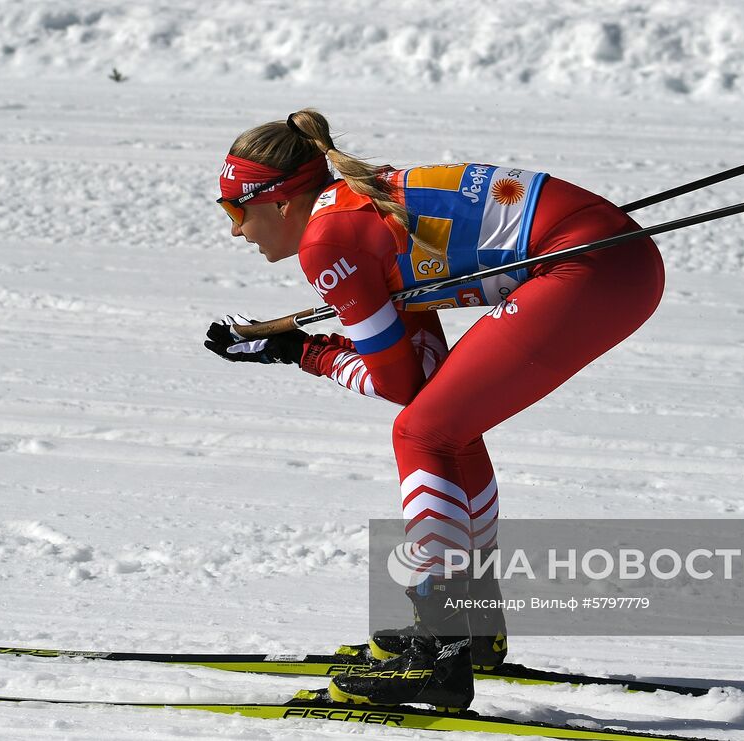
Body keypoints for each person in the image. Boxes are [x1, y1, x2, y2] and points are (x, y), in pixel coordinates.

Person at [204, 109, 665, 711]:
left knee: (421, 433)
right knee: (443, 422)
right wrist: (302, 344)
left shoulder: (328, 239)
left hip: (588, 265)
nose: (236, 231)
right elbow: (419, 375)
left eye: (235, 211)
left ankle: (438, 650)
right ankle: (468, 626)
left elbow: (395, 381)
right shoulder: (352, 210)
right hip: (608, 260)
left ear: (281, 202)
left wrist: (304, 353)